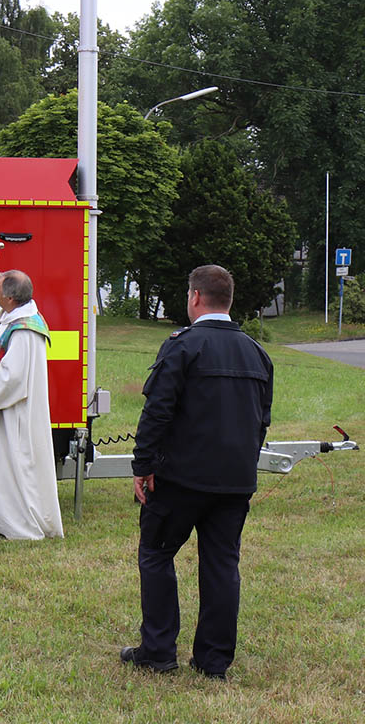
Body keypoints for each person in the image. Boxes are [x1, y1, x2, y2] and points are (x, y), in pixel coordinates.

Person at [119, 265, 274, 682]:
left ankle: (157, 650)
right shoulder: (257, 353)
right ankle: (213, 661)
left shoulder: (182, 347)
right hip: (234, 481)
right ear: (229, 299)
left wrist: (143, 465)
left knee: (155, 554)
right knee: (222, 565)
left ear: (194, 298)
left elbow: (157, 411)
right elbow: (262, 421)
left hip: (181, 479)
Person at [0, 248, 63, 540]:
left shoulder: (25, 331)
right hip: (4, 411)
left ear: (12, 299)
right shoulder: (19, 316)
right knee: (3, 471)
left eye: (0, 292)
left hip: (13, 415)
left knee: (10, 471)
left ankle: (15, 523)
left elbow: (12, 378)